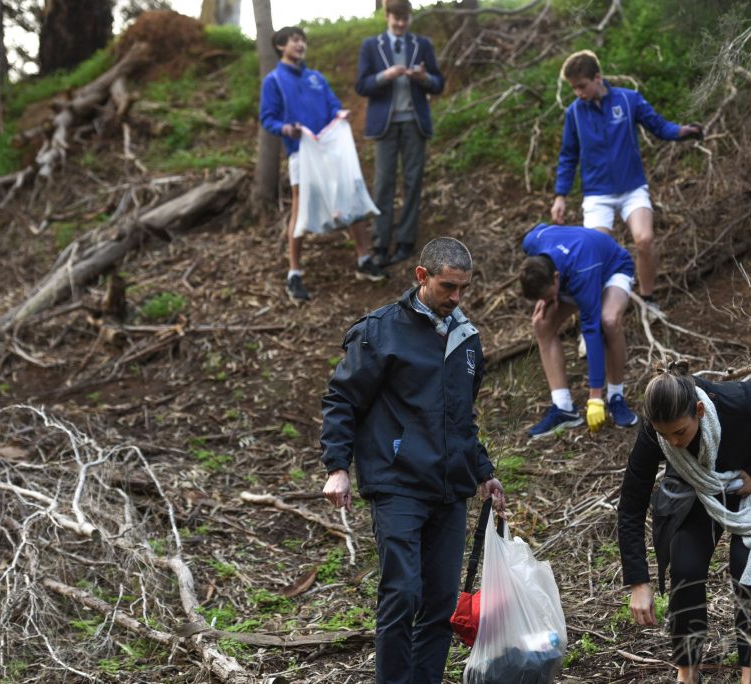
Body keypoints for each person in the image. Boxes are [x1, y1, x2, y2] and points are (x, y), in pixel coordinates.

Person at [320, 237, 506, 684]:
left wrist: (484, 472)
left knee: (441, 603)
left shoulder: (466, 339)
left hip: (449, 489)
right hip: (397, 482)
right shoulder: (380, 331)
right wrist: (337, 467)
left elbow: (461, 417)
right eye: (448, 286)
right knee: (402, 593)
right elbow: (342, 399)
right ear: (421, 277)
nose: (457, 297)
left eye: (464, 287)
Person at [617, 361, 751, 684]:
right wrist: (639, 582)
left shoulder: (739, 401)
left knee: (747, 569)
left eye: (680, 431)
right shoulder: (657, 432)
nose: (674, 442)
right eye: (665, 435)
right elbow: (631, 505)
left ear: (699, 410)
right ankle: (687, 673)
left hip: (742, 481)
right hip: (693, 488)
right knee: (686, 569)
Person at [551, 49, 703, 315]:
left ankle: (648, 300)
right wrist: (560, 195)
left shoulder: (627, 99)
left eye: (582, 86)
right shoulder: (574, 114)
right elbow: (568, 156)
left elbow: (658, 125)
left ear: (598, 78)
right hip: (597, 194)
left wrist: (683, 132)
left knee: (644, 240)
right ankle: (593, 316)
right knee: (593, 253)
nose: (578, 92)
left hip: (632, 187)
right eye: (573, 88)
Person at [259, 26, 388, 305]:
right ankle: (294, 272)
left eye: (302, 39)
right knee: (300, 206)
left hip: (330, 150)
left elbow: (332, 105)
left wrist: (340, 114)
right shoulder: (274, 81)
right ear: (281, 46)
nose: (300, 44)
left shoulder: (316, 77)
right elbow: (267, 118)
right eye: (294, 40)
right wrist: (286, 128)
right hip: (301, 152)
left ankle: (364, 259)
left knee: (350, 196)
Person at [519, 223, 638, 437]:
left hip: (612, 268)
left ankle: (615, 397)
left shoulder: (582, 272)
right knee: (542, 324)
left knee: (608, 321)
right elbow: (542, 226)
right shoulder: (531, 243)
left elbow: (591, 330)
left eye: (545, 295)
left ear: (555, 278)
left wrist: (595, 398)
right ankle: (564, 408)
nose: (544, 301)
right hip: (573, 271)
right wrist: (546, 296)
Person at [355, 0, 445, 267]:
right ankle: (380, 244)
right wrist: (385, 76)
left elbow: (439, 82)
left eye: (405, 18)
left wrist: (424, 79)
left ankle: (406, 241)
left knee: (412, 181)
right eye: (396, 18)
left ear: (410, 18)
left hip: (415, 123)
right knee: (383, 183)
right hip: (385, 124)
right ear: (387, 16)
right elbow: (362, 85)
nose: (401, 23)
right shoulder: (371, 46)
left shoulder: (422, 44)